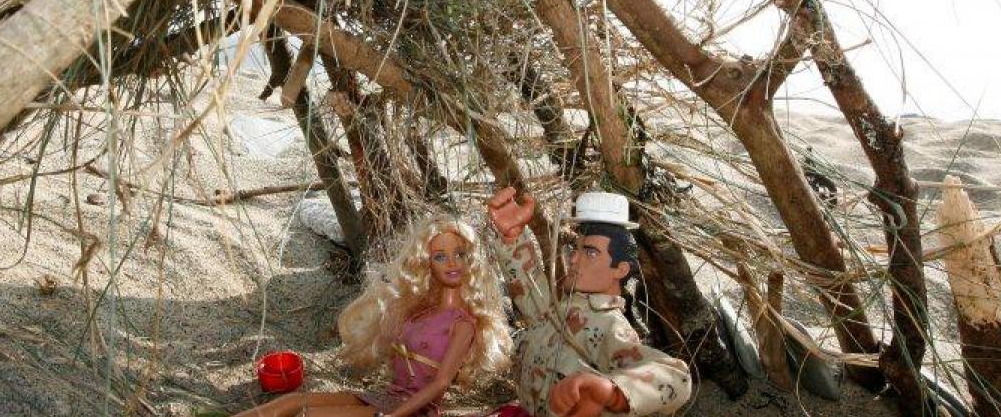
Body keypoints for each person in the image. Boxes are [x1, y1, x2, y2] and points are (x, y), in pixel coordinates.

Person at [237, 216, 514, 417]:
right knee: (292, 402)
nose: (452, 262)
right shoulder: (421, 308)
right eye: (440, 256)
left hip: (410, 411)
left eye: (459, 254)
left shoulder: (463, 324)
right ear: (426, 263)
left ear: (470, 260)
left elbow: (441, 382)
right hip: (387, 397)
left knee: (309, 414)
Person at [486, 188, 692, 417]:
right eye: (575, 248)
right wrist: (512, 237)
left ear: (620, 269)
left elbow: (677, 378)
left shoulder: (609, 327)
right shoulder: (563, 309)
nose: (574, 258)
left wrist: (611, 392)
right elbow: (531, 291)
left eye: (591, 252)